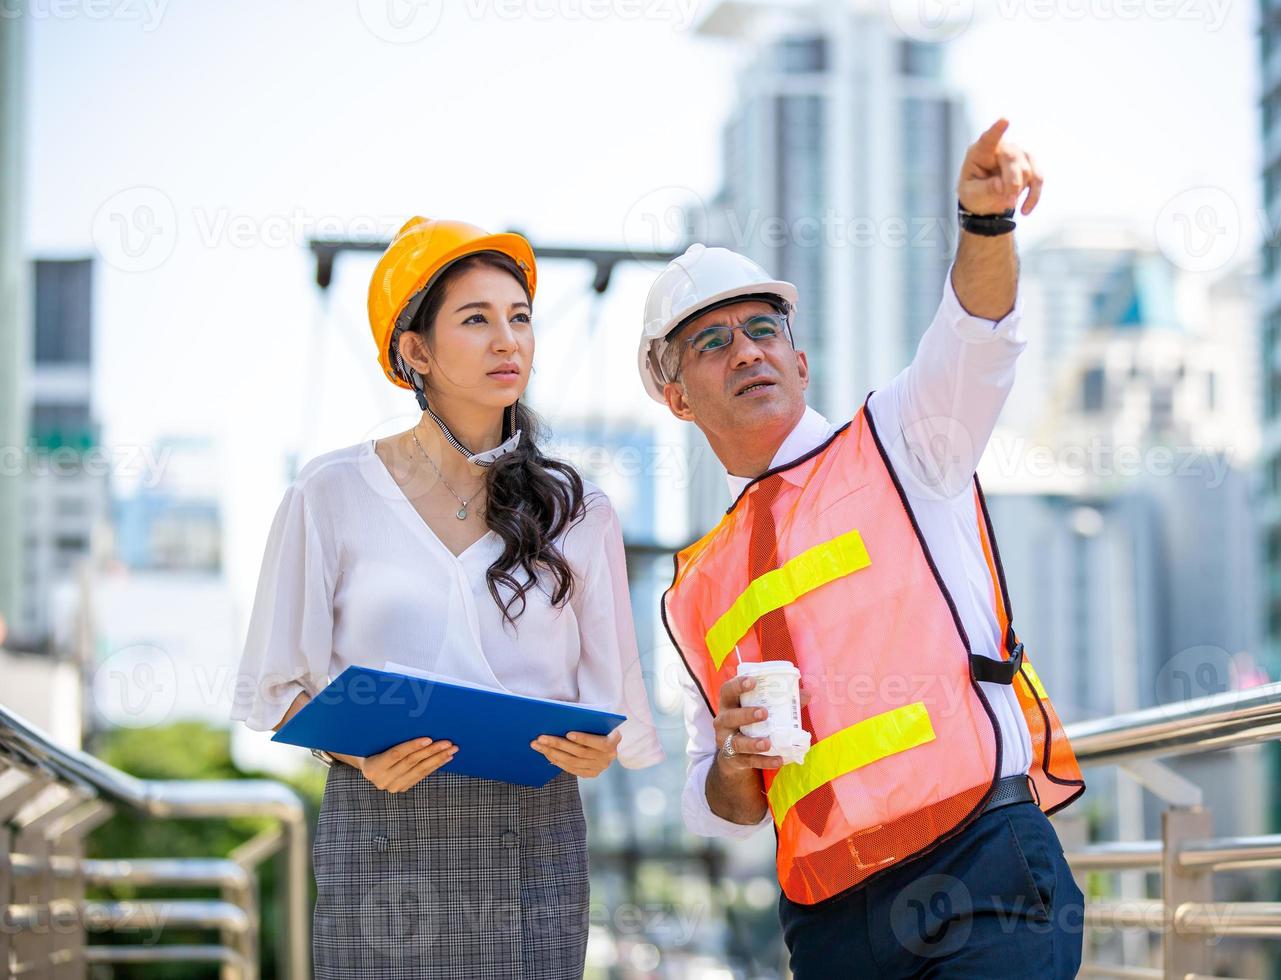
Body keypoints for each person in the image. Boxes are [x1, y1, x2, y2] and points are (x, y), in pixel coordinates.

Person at [642, 119, 1086, 977]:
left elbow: (977, 333)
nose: (747, 351)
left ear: (801, 362)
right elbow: (716, 800)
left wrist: (985, 223)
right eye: (712, 341)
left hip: (978, 864)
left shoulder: (903, 443)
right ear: (677, 397)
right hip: (830, 919)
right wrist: (735, 762)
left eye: (763, 329)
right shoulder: (692, 589)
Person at [231, 216, 664, 979]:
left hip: (532, 837)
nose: (509, 340)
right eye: (477, 319)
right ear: (415, 350)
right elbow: (276, 689)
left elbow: (614, 714)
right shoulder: (330, 493)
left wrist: (595, 749)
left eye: (520, 317)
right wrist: (353, 751)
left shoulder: (581, 509)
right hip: (381, 829)